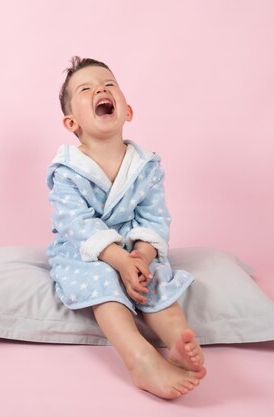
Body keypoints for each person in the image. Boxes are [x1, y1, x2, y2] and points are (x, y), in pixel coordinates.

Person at [46, 57, 206, 399]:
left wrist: (143, 256)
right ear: (71, 122)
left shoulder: (146, 166)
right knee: (102, 284)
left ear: (127, 110)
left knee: (157, 279)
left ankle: (177, 342)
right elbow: (74, 223)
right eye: (86, 89)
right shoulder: (68, 170)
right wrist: (117, 261)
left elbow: (153, 219)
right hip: (85, 251)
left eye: (108, 85)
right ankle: (141, 359)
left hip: (136, 248)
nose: (100, 90)